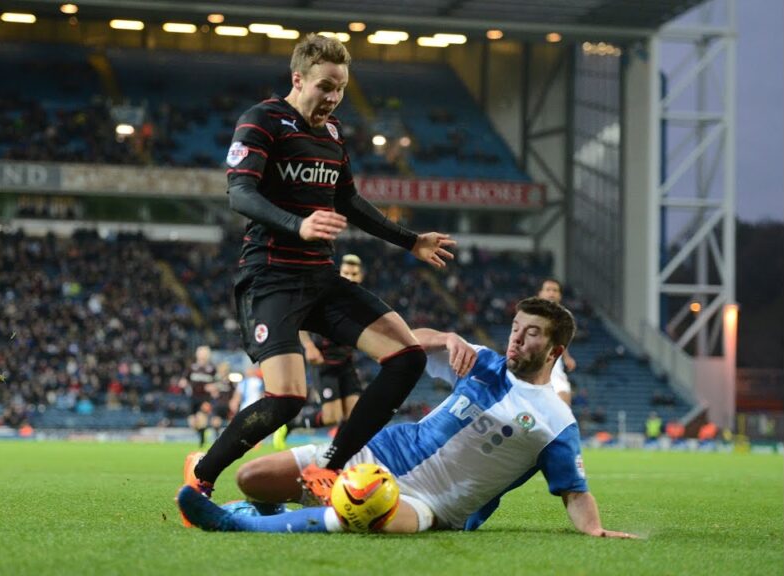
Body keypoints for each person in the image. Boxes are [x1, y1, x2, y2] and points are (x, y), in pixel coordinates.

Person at [188, 33, 456, 500]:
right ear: (298, 79)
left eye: (341, 89)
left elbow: (348, 201)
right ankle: (202, 473)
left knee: (407, 357)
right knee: (287, 399)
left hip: (320, 279)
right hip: (270, 279)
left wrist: (410, 241)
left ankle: (330, 468)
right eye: (325, 86)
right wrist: (299, 225)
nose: (333, 98)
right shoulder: (262, 121)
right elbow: (240, 193)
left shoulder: (332, 137)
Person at [177, 297, 636, 539]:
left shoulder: (556, 419)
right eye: (516, 328)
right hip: (377, 452)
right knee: (253, 478)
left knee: (371, 516)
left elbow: (574, 492)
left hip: (432, 504)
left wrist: (594, 529)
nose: (517, 339)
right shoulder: (480, 360)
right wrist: (445, 336)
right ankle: (268, 510)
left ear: (555, 351)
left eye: (531, 334)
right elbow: (401, 345)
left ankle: (239, 525)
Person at [274, 253, 369, 449]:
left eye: (354, 273)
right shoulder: (326, 295)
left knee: (354, 415)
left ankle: (339, 454)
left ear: (361, 276)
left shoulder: (362, 301)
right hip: (324, 363)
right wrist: (309, 346)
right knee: (332, 416)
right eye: (346, 273)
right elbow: (301, 321)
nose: (350, 277)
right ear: (339, 273)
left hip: (346, 362)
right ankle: (291, 424)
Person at [537, 279, 576, 405]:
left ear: (560, 296)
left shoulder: (564, 316)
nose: (551, 294)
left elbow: (561, 339)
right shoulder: (529, 313)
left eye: (555, 290)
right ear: (540, 294)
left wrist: (567, 358)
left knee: (564, 398)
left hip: (553, 366)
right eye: (548, 290)